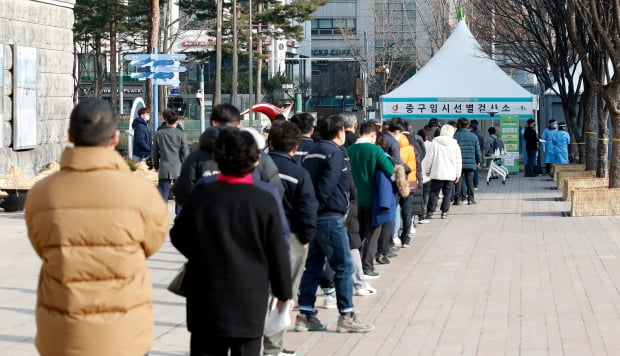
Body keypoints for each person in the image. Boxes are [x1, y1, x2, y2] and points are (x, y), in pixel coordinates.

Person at [24, 99, 168, 356]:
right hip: (124, 331)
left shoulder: (41, 193)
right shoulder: (142, 192)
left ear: (70, 135)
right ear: (114, 138)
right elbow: (152, 244)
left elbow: (41, 245)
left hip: (62, 332)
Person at [171, 128, 292, 356]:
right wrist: (284, 293)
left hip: (205, 293)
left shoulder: (202, 194)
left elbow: (178, 236)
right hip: (250, 296)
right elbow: (277, 250)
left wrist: (200, 254)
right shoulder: (265, 198)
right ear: (255, 161)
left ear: (217, 158)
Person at [296, 114, 375, 333]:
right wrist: (320, 206)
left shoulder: (313, 151)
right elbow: (327, 185)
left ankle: (305, 314)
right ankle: (346, 315)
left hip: (315, 216)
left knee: (313, 266)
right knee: (343, 266)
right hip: (330, 216)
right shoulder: (335, 152)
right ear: (340, 132)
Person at [263, 121, 318, 356]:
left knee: (259, 291)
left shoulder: (258, 169)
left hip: (261, 236)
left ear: (270, 143)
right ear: (295, 147)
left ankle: (248, 341)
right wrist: (306, 237)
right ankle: (273, 347)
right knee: (284, 292)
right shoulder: (299, 173)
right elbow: (308, 208)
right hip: (293, 238)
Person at [174, 103, 283, 207]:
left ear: (213, 122)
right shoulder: (257, 157)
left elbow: (182, 194)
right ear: (239, 125)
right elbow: (276, 191)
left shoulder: (195, 158)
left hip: (206, 221)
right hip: (248, 219)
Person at [347, 121, 395, 278]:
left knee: (356, 234)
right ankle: (367, 267)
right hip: (373, 199)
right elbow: (390, 171)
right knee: (373, 233)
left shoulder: (348, 150)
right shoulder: (376, 151)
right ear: (373, 135)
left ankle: (356, 267)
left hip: (353, 200)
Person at [423, 124, 462, 219]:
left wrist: (427, 170)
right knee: (447, 193)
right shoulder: (455, 144)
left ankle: (430, 211)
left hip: (437, 172)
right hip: (450, 173)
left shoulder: (435, 143)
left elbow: (429, 158)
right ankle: (444, 211)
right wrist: (458, 174)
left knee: (434, 192)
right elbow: (458, 160)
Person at [152, 109, 188, 202]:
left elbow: (155, 152)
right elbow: (185, 153)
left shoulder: (159, 134)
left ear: (166, 120)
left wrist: (156, 165)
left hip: (164, 167)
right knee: (180, 194)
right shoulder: (181, 134)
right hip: (178, 167)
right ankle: (179, 214)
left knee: (163, 194)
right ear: (177, 121)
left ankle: (162, 214)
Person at [453, 117, 482, 205]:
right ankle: (471, 199)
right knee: (470, 181)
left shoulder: (455, 136)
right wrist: (478, 160)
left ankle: (457, 199)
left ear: (458, 125)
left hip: (458, 163)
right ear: (468, 125)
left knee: (458, 181)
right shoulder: (473, 136)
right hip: (470, 162)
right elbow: (477, 150)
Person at [469, 119, 485, 189]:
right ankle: (475, 185)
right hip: (478, 154)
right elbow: (483, 146)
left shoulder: (469, 135)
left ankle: (469, 186)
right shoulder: (481, 135)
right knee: (475, 171)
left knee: (468, 171)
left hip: (470, 155)